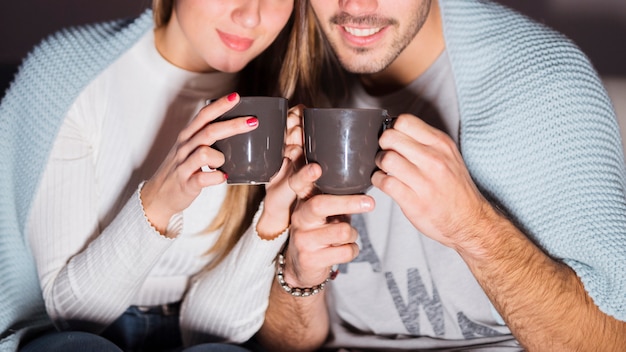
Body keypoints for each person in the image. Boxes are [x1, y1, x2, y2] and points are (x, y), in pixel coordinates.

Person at [256, 0, 626, 351]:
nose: (355, 8)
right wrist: (300, 280)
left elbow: (612, 340)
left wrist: (473, 228)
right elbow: (286, 343)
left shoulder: (543, 82)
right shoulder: (290, 74)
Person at [0, 0, 305, 351]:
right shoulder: (70, 74)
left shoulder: (284, 93)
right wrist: (160, 202)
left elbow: (217, 334)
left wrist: (274, 214)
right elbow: (73, 320)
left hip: (196, 332)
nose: (250, 15)